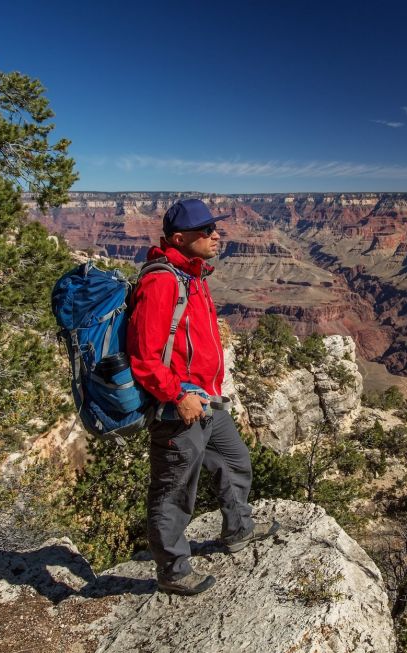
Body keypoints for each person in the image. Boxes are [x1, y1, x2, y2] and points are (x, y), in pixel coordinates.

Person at [128, 198, 279, 595]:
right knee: (174, 490)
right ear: (180, 238)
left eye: (216, 229)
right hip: (179, 407)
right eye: (206, 231)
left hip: (208, 398)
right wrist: (177, 395)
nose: (217, 236)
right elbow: (143, 357)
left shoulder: (193, 275)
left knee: (235, 461)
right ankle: (173, 571)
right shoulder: (161, 281)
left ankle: (238, 529)